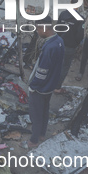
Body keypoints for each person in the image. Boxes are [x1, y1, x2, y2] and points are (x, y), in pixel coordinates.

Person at [24, 16, 65, 149]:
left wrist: (33, 86)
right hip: (50, 85)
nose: (37, 32)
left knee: (35, 113)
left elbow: (42, 71)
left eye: (37, 28)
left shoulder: (49, 47)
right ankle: (42, 134)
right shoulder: (59, 41)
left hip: (41, 88)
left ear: (44, 28)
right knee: (44, 110)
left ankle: (33, 141)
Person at [56, 9, 84, 90]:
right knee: (64, 67)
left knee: (56, 65)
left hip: (59, 43)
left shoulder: (63, 14)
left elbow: (57, 28)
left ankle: (50, 84)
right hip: (70, 47)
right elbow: (80, 35)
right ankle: (57, 88)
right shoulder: (80, 18)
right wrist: (75, 44)